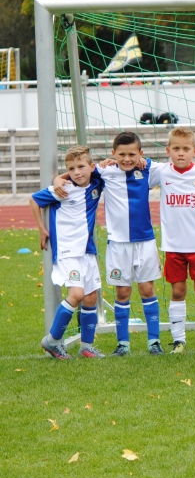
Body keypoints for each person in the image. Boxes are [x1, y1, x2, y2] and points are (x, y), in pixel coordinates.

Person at [52, 132, 164, 356]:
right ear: (113, 154)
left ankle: (154, 341)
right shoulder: (105, 171)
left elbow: (180, 169)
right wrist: (57, 180)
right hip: (117, 244)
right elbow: (80, 171)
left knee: (147, 289)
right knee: (122, 292)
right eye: (121, 154)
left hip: (145, 242)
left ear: (140, 153)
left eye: (132, 154)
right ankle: (123, 344)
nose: (127, 159)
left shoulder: (148, 169)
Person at [148, 127, 195, 355]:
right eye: (176, 149)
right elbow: (133, 167)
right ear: (168, 150)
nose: (181, 153)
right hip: (173, 246)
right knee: (178, 291)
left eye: (186, 149)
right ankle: (178, 340)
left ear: (194, 151)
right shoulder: (161, 172)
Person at [34, 146, 105, 359]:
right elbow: (34, 200)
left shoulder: (97, 183)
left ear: (91, 167)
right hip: (67, 251)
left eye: (81, 167)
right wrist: (42, 229)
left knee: (90, 297)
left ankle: (86, 346)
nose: (76, 172)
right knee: (77, 294)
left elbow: (101, 168)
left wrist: (107, 162)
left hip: (87, 250)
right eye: (71, 169)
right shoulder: (62, 189)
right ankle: (52, 341)